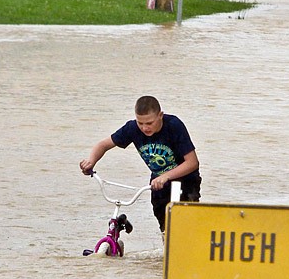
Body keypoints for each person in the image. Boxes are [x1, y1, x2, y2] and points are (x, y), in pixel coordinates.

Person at [80, 96, 201, 232]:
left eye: (149, 123)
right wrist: (91, 161)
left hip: (185, 182)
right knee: (166, 229)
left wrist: (166, 176)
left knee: (184, 227)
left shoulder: (174, 125)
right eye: (140, 123)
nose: (144, 128)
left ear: (160, 115)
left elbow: (192, 163)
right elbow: (103, 145)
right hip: (158, 184)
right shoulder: (132, 128)